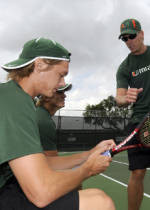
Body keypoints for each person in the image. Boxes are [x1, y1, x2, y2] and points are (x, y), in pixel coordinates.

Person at [0, 37, 116, 210]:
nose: (62, 83)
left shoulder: (16, 97)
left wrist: (89, 154)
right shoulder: (15, 101)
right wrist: (87, 169)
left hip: (8, 187)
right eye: (61, 75)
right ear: (39, 65)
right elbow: (41, 193)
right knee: (101, 203)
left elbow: (44, 163)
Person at [115, 19, 150, 210]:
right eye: (124, 38)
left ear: (142, 34)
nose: (128, 41)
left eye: (132, 36)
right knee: (137, 173)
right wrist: (125, 97)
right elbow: (119, 98)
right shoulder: (124, 67)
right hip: (139, 122)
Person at [36, 83, 72, 157]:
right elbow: (53, 163)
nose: (64, 96)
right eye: (60, 92)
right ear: (46, 97)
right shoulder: (44, 121)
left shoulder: (40, 114)